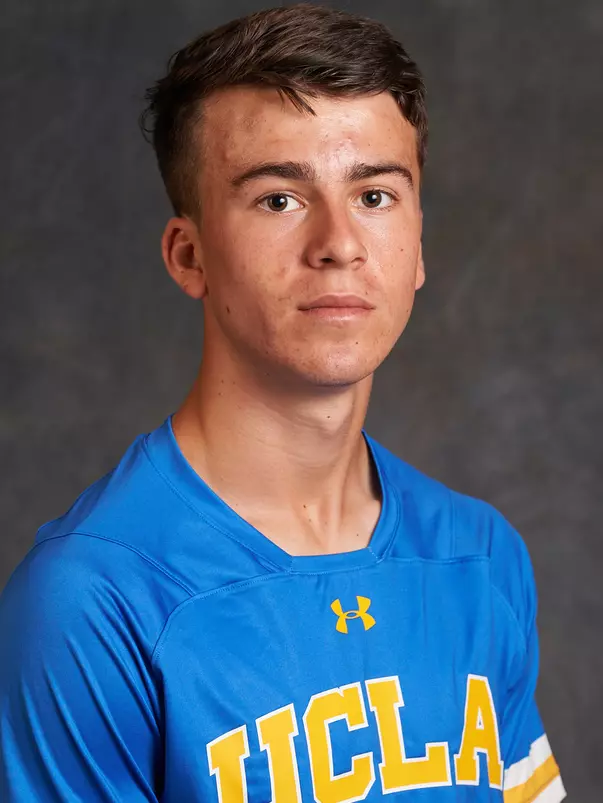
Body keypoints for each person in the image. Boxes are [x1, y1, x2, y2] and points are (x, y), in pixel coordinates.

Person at [0, 4, 565, 801]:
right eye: (279, 199)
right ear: (187, 254)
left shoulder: (478, 555)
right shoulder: (91, 601)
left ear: (417, 249)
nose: (338, 241)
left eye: (374, 195)